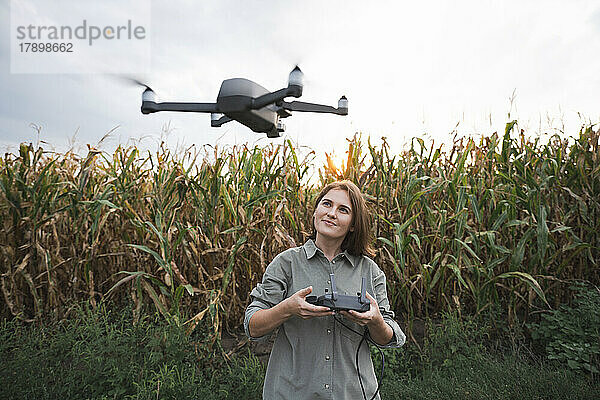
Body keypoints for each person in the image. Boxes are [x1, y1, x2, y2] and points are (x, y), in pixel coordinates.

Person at [244, 180, 405, 400]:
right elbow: (252, 326)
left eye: (343, 210)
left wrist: (375, 320)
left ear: (354, 224)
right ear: (315, 211)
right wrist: (288, 309)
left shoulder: (370, 270)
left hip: (355, 394)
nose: (331, 213)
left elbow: (389, 338)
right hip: (292, 393)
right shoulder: (286, 263)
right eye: (326, 204)